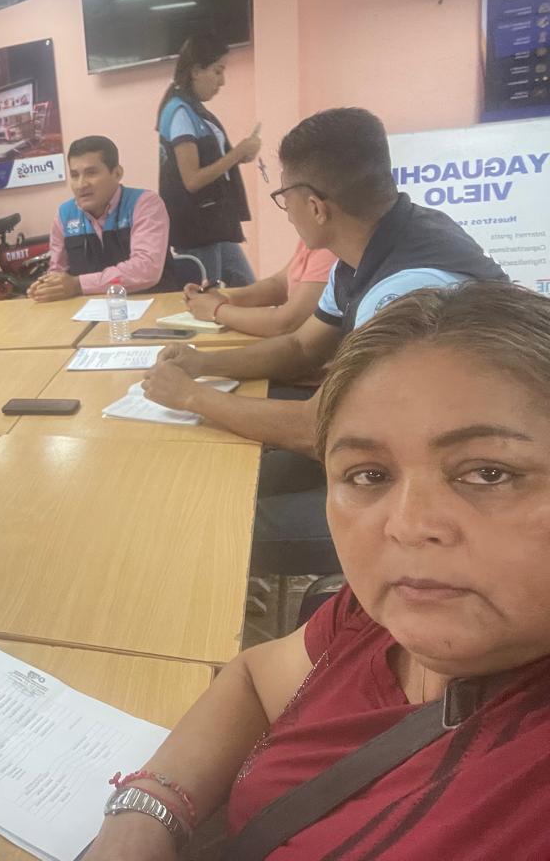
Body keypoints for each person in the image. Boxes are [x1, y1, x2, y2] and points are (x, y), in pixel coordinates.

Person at [83, 281, 550, 860]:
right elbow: (254, 680)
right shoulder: (381, 615)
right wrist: (146, 812)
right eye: (369, 475)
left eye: (489, 474)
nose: (407, 526)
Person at [140, 107, 507, 554]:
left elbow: (312, 428)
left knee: (213, 518)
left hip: (462, 491)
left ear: (315, 206)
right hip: (398, 446)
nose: (287, 213)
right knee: (220, 474)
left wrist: (189, 397)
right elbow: (301, 347)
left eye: (283, 197)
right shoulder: (371, 247)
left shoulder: (407, 289)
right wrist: (201, 363)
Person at [156, 32, 258, 287]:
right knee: (206, 296)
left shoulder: (195, 111)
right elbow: (192, 180)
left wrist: (239, 156)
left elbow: (213, 164)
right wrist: (237, 153)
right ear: (196, 71)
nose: (222, 82)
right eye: (217, 71)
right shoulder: (179, 111)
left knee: (248, 288)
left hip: (215, 224)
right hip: (197, 227)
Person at [30, 135, 181, 303]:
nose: (81, 184)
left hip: (153, 305)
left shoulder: (144, 204)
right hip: (89, 311)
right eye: (74, 175)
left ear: (117, 173)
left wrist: (78, 285)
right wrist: (46, 287)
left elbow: (146, 269)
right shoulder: (64, 215)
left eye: (91, 173)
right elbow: (58, 272)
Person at [182, 237, 338, 338]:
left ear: (315, 207)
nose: (286, 208)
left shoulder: (329, 251)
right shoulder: (313, 238)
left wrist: (217, 310)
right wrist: (227, 299)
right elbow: (280, 284)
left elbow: (285, 324)